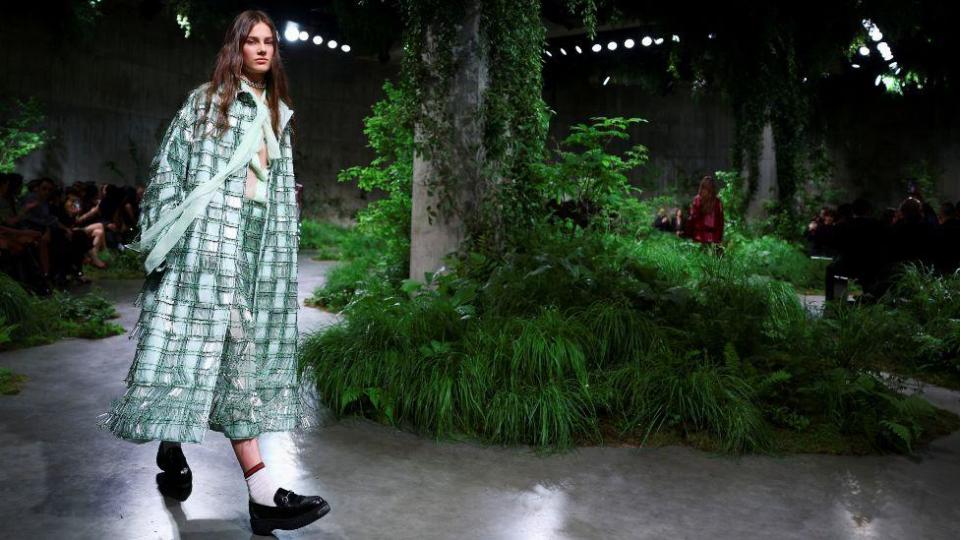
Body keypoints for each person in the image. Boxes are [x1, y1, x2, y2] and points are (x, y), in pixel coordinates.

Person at [97, 10, 329, 535]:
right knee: (232, 353)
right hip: (202, 250)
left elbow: (274, 193)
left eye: (270, 42)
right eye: (253, 42)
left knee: (206, 357)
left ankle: (171, 441)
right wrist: (171, 245)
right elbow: (168, 174)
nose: (264, 50)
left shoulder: (278, 113)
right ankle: (262, 490)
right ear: (236, 48)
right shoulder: (206, 104)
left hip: (253, 252)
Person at [686, 175, 724, 245]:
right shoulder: (717, 202)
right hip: (711, 238)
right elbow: (720, 223)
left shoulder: (698, 200)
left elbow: (692, 219)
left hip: (700, 238)